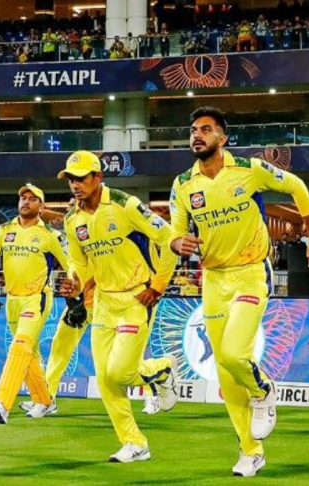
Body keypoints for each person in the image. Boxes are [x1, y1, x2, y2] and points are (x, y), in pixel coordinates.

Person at [169, 107, 309, 477]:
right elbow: (176, 231)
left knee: (234, 353)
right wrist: (178, 242)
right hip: (213, 280)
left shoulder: (249, 169)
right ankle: (250, 450)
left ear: (223, 138)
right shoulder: (183, 184)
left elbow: (297, 187)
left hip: (250, 273)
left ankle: (262, 390)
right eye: (193, 130)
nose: (197, 135)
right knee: (225, 372)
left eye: (206, 129)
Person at [59, 150, 179, 463]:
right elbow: (77, 261)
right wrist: (74, 280)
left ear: (98, 177)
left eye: (81, 178)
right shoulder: (72, 220)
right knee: (105, 378)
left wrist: (157, 286)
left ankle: (163, 369)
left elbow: (168, 238)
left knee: (121, 373)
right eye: (71, 179)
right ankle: (134, 443)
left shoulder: (126, 205)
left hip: (136, 298)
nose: (75, 185)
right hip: (103, 302)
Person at [0, 184, 68, 425]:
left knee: (20, 346)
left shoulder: (51, 235)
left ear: (41, 207)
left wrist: (76, 293)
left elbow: (72, 265)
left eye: (32, 199)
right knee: (28, 353)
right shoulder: (4, 230)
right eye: (23, 198)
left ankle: (2, 402)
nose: (26, 201)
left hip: (37, 298)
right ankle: (44, 401)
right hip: (12, 299)